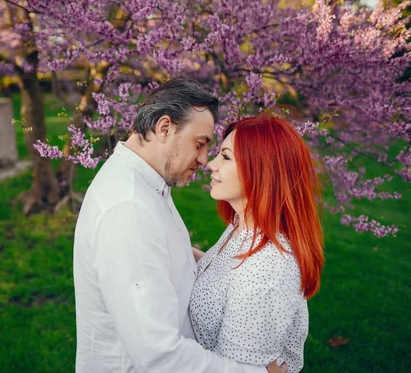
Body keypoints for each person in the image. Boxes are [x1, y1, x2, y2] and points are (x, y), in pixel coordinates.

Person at [73, 79, 286, 373]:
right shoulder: (129, 210)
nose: (203, 160)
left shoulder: (149, 184)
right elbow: (159, 356)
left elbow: (163, 256)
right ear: (164, 128)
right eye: (199, 144)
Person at [190, 115, 325, 373]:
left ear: (260, 170)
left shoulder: (267, 269)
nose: (210, 164)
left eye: (226, 157)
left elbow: (236, 368)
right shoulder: (244, 227)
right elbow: (222, 270)